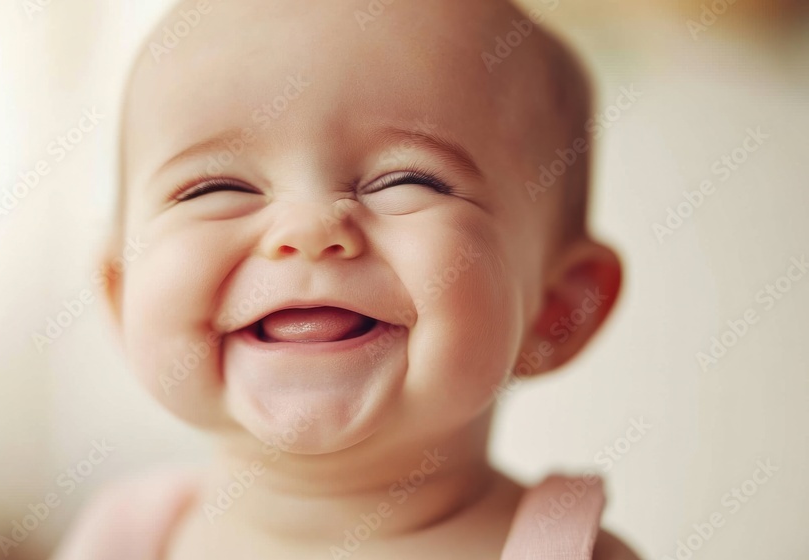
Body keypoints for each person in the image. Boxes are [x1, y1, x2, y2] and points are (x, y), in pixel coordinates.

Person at [53, 0, 639, 557]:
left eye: (407, 181)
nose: (308, 228)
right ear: (121, 293)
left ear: (559, 307)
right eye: (216, 188)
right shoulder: (120, 540)